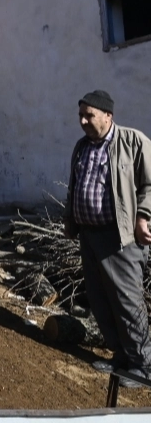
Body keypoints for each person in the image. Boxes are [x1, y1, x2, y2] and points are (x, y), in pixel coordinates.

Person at [63, 90, 151, 387]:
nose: (83, 121)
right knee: (101, 300)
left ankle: (143, 365)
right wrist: (71, 220)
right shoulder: (82, 146)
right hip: (89, 236)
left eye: (89, 115)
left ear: (107, 116)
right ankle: (121, 357)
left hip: (120, 239)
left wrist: (143, 216)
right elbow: (75, 186)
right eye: (81, 116)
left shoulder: (133, 142)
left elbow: (150, 184)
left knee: (127, 301)